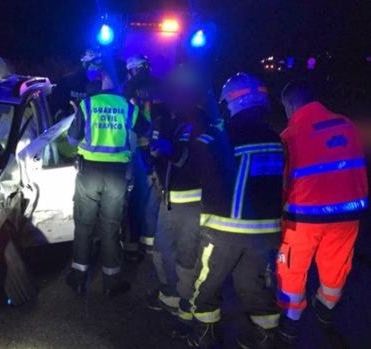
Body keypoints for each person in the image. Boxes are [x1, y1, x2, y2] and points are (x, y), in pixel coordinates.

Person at [186, 73, 283, 348]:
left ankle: (205, 336)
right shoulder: (275, 138)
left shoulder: (224, 135)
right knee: (253, 285)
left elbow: (196, 166)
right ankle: (265, 336)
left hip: (224, 230)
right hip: (265, 233)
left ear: (234, 101)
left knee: (206, 284)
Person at [276, 81, 368, 344]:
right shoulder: (348, 126)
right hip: (347, 216)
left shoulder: (291, 134)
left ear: (291, 104)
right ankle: (325, 310)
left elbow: (284, 181)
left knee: (292, 269)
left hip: (303, 218)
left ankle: (291, 323)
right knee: (336, 266)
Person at [66, 63, 150, 297]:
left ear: (103, 77)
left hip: (89, 173)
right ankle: (111, 282)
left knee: (84, 225)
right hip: (117, 175)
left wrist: (77, 118)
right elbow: (146, 130)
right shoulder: (126, 106)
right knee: (110, 228)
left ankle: (79, 277)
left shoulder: (88, 104)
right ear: (122, 79)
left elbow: (72, 141)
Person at [146, 65, 206, 330]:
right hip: (168, 200)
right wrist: (156, 153)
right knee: (161, 250)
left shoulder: (201, 123)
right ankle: (169, 294)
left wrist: (170, 151)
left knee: (186, 257)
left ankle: (187, 306)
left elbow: (192, 162)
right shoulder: (172, 119)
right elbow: (161, 156)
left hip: (191, 205)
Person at [121, 54, 162, 260]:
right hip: (160, 147)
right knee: (156, 197)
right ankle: (151, 241)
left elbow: (129, 118)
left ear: (133, 69)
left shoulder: (128, 87)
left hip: (138, 147)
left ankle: (132, 244)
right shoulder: (159, 84)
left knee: (137, 198)